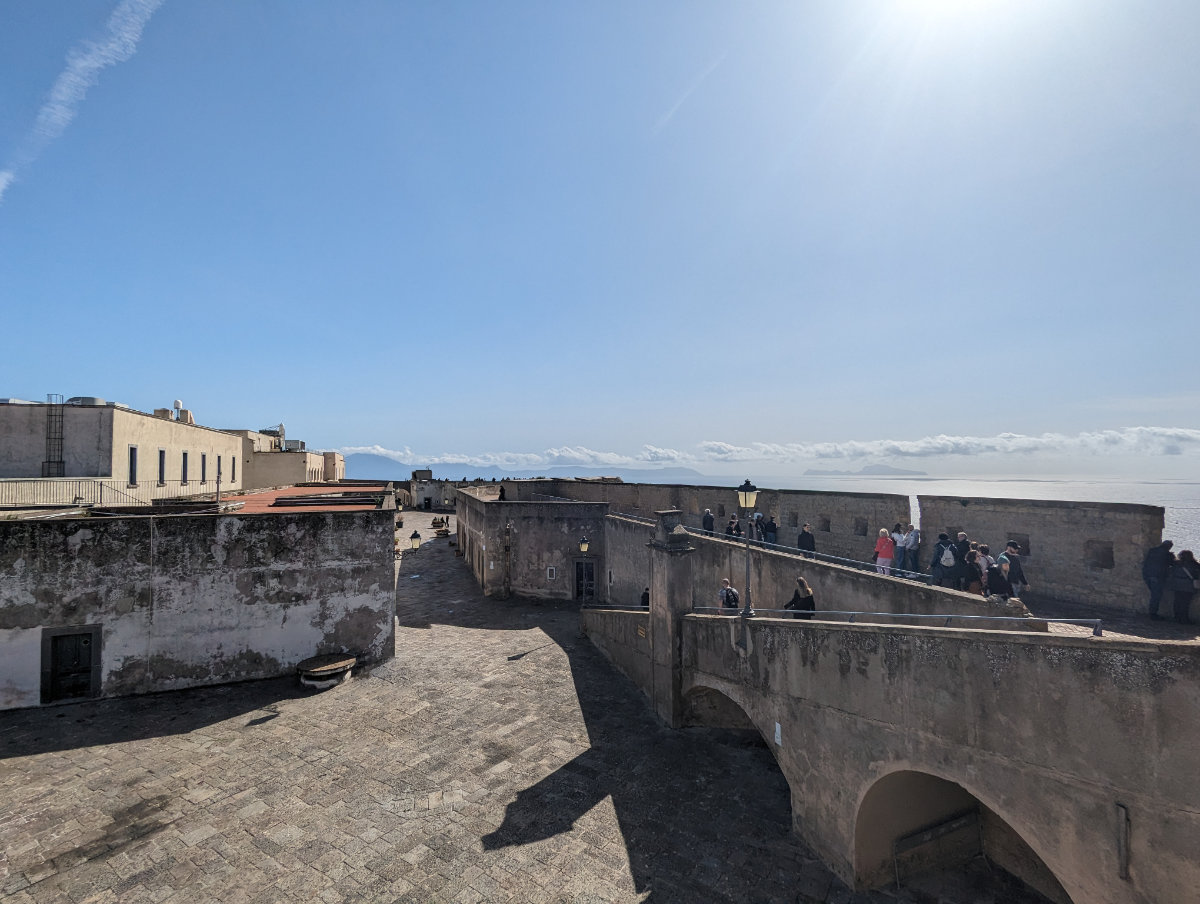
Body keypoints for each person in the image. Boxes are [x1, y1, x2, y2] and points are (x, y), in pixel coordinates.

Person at [1142, 540, 1176, 620]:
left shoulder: (1152, 551)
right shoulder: (1168, 555)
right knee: (1156, 596)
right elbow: (1173, 564)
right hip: (1158, 578)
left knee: (1154, 595)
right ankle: (1153, 614)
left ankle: (1152, 613)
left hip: (1148, 576)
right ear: (1169, 547)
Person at [1167, 550, 1199, 625]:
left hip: (1177, 585)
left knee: (1177, 602)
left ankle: (1176, 617)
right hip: (1188, 587)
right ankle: (1184, 619)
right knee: (1185, 603)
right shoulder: (1194, 565)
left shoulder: (1176, 564)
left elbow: (1171, 571)